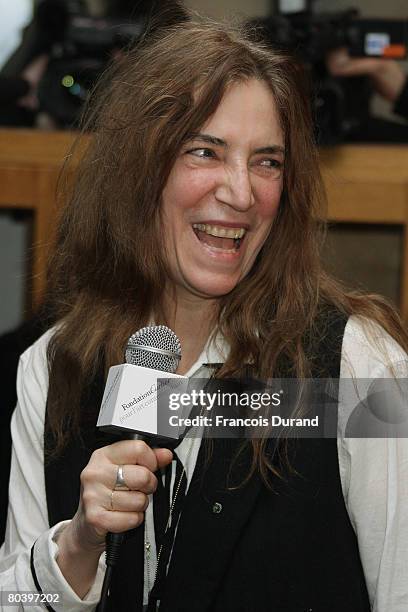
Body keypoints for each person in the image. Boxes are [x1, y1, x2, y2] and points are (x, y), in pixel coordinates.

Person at [1, 15, 408, 612]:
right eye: (204, 151)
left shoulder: (361, 367)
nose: (241, 193)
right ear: (139, 173)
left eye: (267, 161)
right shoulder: (53, 366)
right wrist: (80, 544)